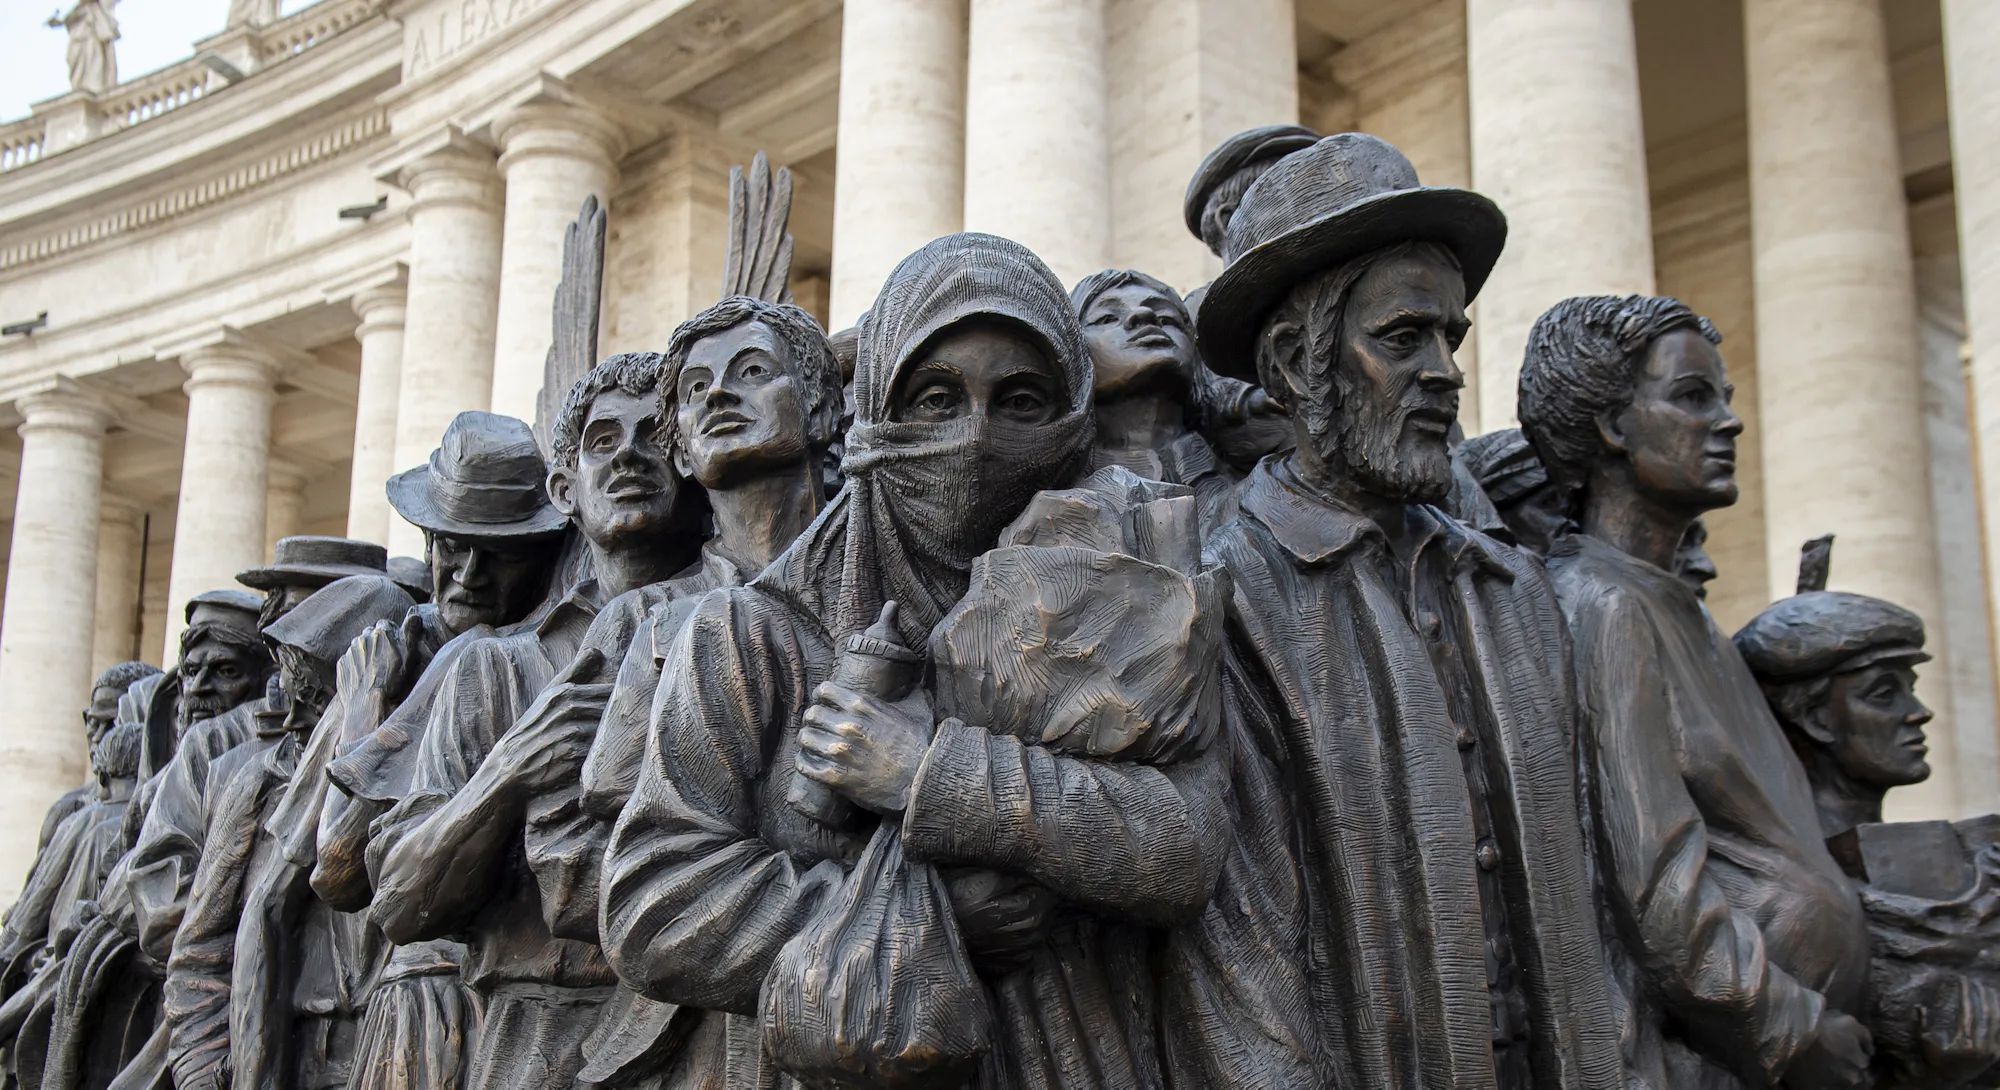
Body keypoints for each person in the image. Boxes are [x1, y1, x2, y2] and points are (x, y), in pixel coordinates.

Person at [601, 232, 1229, 1087]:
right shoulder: (747, 631)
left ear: (1071, 418)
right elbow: (655, 899)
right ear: (874, 417)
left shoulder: (1132, 598)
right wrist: (921, 919)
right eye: (935, 399)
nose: (974, 437)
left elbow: (1182, 845)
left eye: (1019, 401)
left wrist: (930, 773)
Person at [1175, 133, 1621, 1089]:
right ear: (1297, 361)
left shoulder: (1513, 592)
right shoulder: (1218, 593)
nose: (1445, 373)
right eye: (1402, 337)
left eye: (1450, 338)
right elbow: (1238, 971)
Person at [1518, 293, 1874, 1089]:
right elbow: (1655, 884)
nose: (1728, 422)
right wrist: (1790, 1028)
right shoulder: (1601, 607)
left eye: (1726, 398)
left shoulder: (1679, 609)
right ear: (1610, 425)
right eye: (1692, 397)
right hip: (1729, 1056)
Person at [519, 295, 840, 1085]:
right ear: (685, 456)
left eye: (753, 371)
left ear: (825, 408)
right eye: (695, 389)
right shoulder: (639, 623)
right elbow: (567, 862)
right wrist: (827, 904)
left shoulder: (886, 586)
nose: (721, 395)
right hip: (691, 1031)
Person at [369, 352, 697, 1089]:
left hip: (702, 1019)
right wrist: (509, 772)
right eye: (604, 442)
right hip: (531, 1034)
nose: (631, 458)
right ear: (564, 490)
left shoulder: (741, 629)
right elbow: (399, 902)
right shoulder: (493, 671)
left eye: (656, 436)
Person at [287, 411, 568, 1090]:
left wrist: (362, 709)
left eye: (496, 553)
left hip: (479, 1000)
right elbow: (313, 877)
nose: (467, 574)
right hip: (414, 1004)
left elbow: (339, 864)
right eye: (450, 545)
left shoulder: (507, 656)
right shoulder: (395, 651)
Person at [161, 575, 415, 1090]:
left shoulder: (422, 761)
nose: (292, 715)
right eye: (291, 689)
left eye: (318, 696)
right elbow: (199, 953)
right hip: (293, 1061)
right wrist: (204, 1072)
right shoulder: (261, 782)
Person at [1072, 268, 1240, 531]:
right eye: (1106, 318)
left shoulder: (1252, 492)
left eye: (1167, 318)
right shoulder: (1055, 503)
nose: (1144, 316)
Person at [23, 662, 161, 870]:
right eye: (94, 722)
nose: (97, 737)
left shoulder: (166, 806)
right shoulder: (67, 812)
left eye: (113, 724)